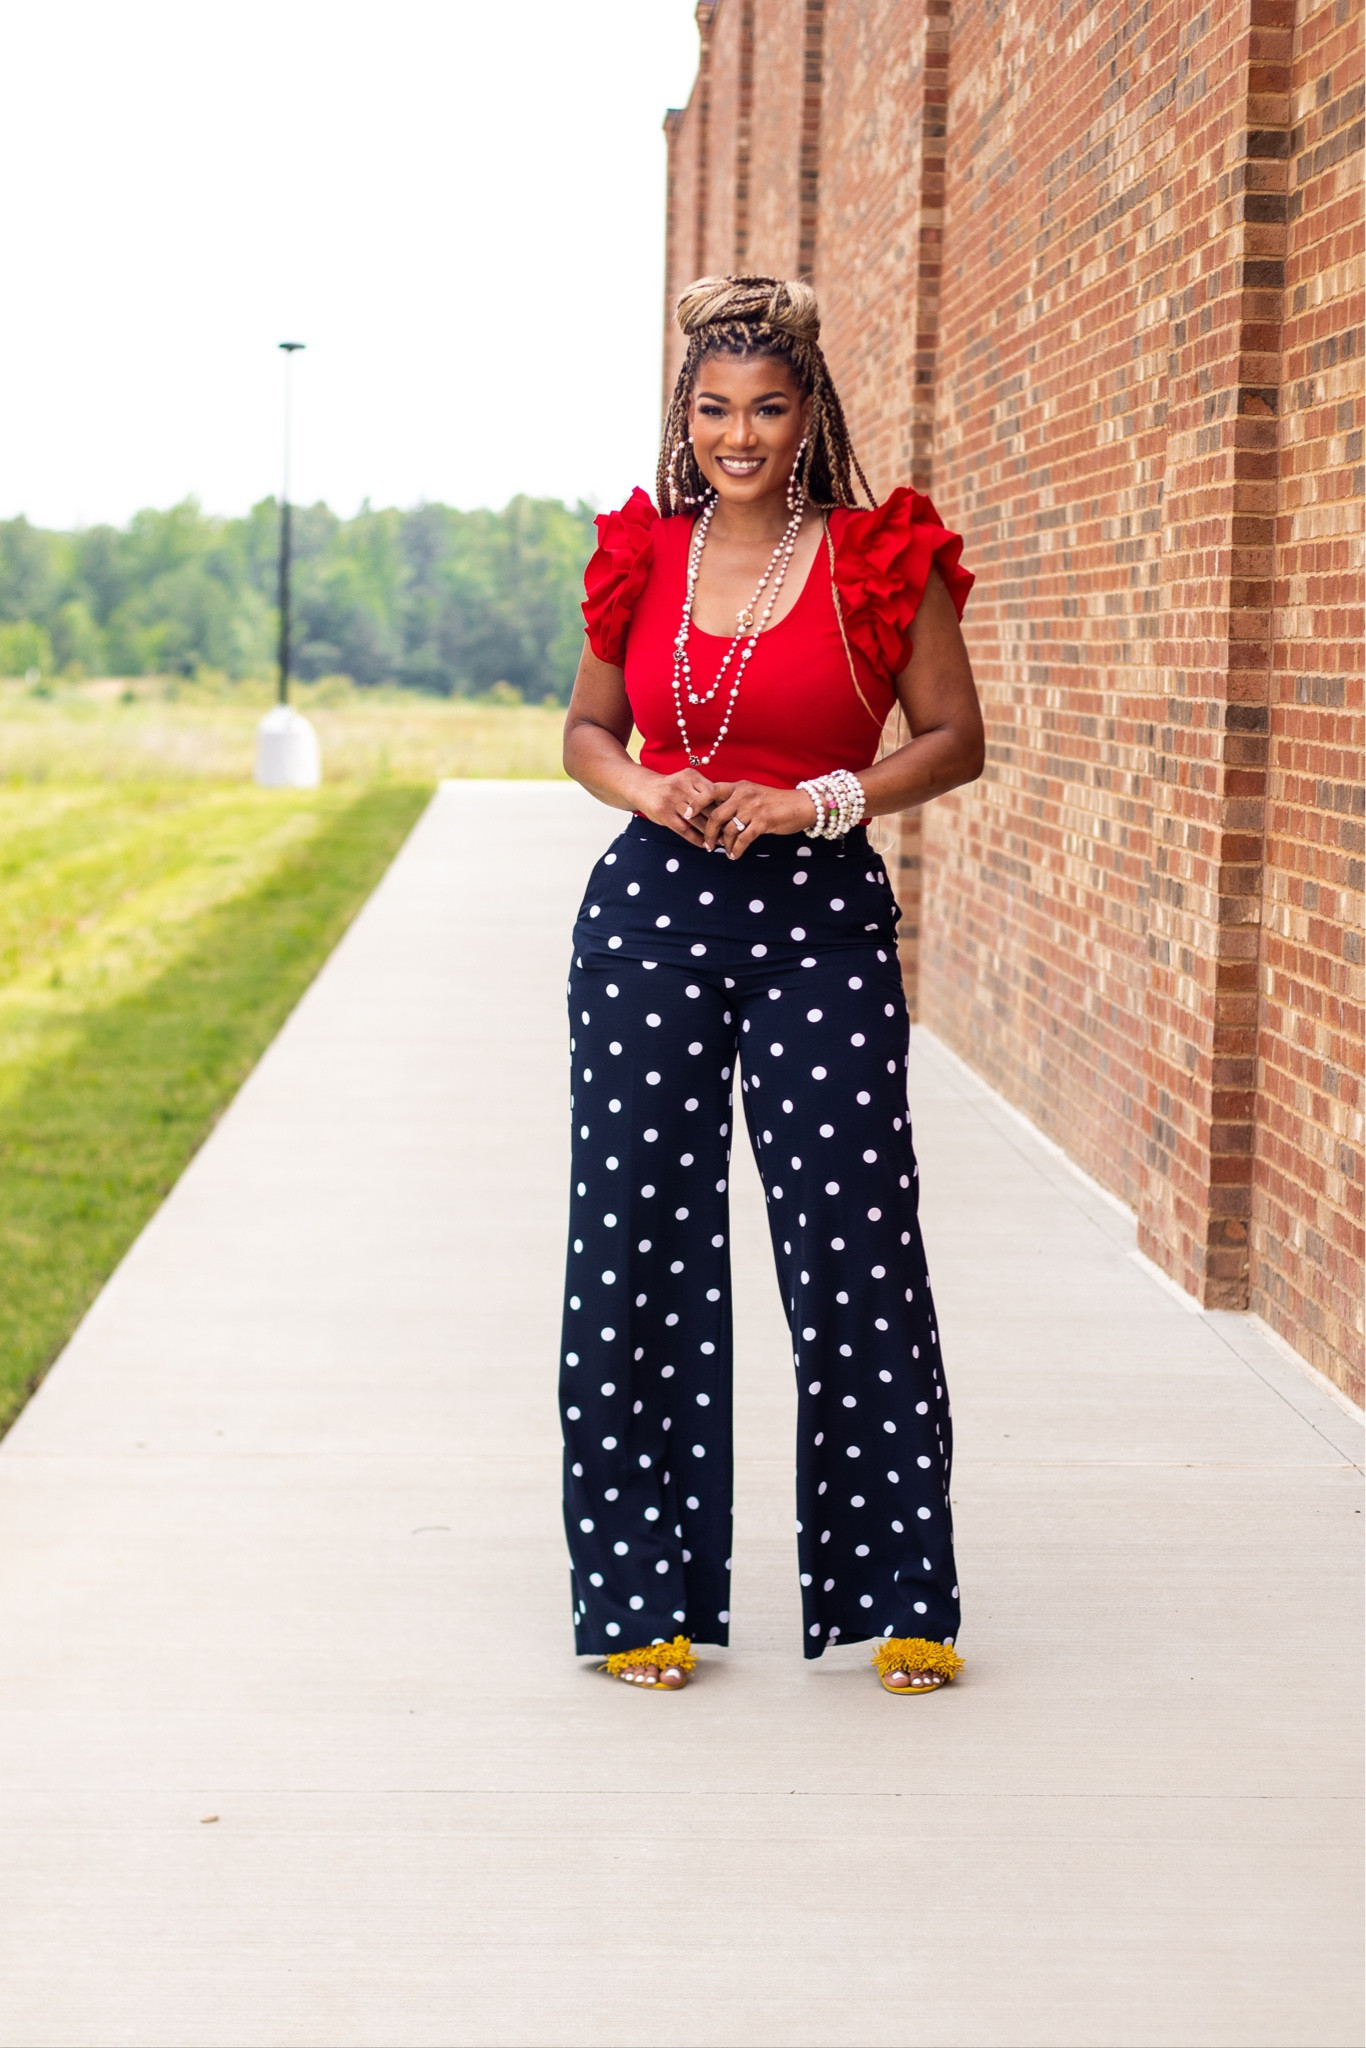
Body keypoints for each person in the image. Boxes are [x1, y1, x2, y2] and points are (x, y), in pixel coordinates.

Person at [559, 274, 983, 1698]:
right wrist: (649, 790)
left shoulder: (880, 557)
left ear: (808, 415)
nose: (738, 434)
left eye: (766, 408)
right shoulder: (642, 555)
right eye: (713, 408)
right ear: (686, 418)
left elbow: (955, 738)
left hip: (817, 922)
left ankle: (899, 1593)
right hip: (649, 922)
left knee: (853, 1248)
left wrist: (822, 802)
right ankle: (636, 1599)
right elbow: (584, 731)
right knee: (633, 1252)